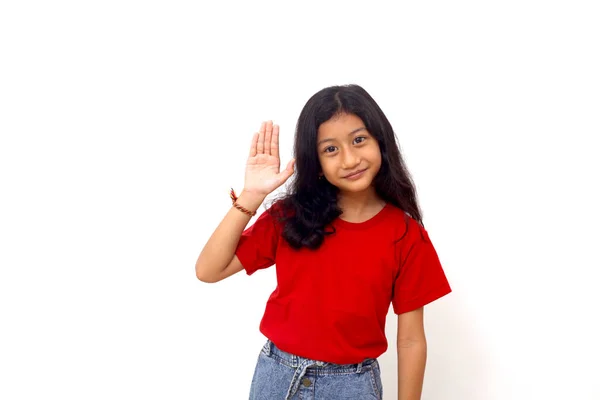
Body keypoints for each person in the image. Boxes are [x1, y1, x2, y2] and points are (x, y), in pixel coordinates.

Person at [195, 84, 452, 400]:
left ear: (380, 141)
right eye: (330, 149)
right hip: (276, 376)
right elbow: (208, 270)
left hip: (351, 386)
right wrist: (251, 195)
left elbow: (411, 340)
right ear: (314, 161)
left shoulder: (405, 234)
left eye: (359, 140)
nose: (349, 159)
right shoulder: (289, 216)